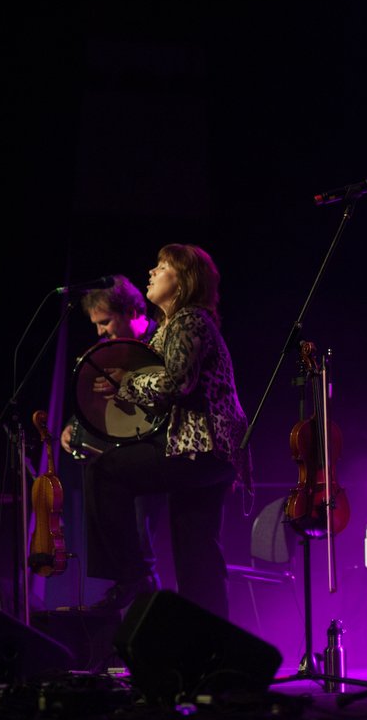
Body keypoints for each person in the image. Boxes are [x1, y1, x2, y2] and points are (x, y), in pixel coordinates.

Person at [83, 244, 249, 617]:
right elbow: (154, 387)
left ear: (183, 280)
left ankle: (131, 575)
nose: (151, 273)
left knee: (104, 472)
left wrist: (126, 384)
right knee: (198, 554)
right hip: (210, 452)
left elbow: (175, 384)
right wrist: (122, 388)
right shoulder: (175, 327)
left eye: (162, 267)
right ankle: (212, 653)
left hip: (201, 450)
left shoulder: (190, 320)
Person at [59, 276, 167, 593]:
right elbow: (96, 396)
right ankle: (132, 590)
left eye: (105, 322)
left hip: (160, 448)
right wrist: (73, 424)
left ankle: (140, 594)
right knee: (126, 533)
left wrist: (129, 381)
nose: (100, 332)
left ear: (133, 311)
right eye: (95, 324)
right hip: (126, 448)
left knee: (138, 533)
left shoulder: (160, 340)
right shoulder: (112, 348)